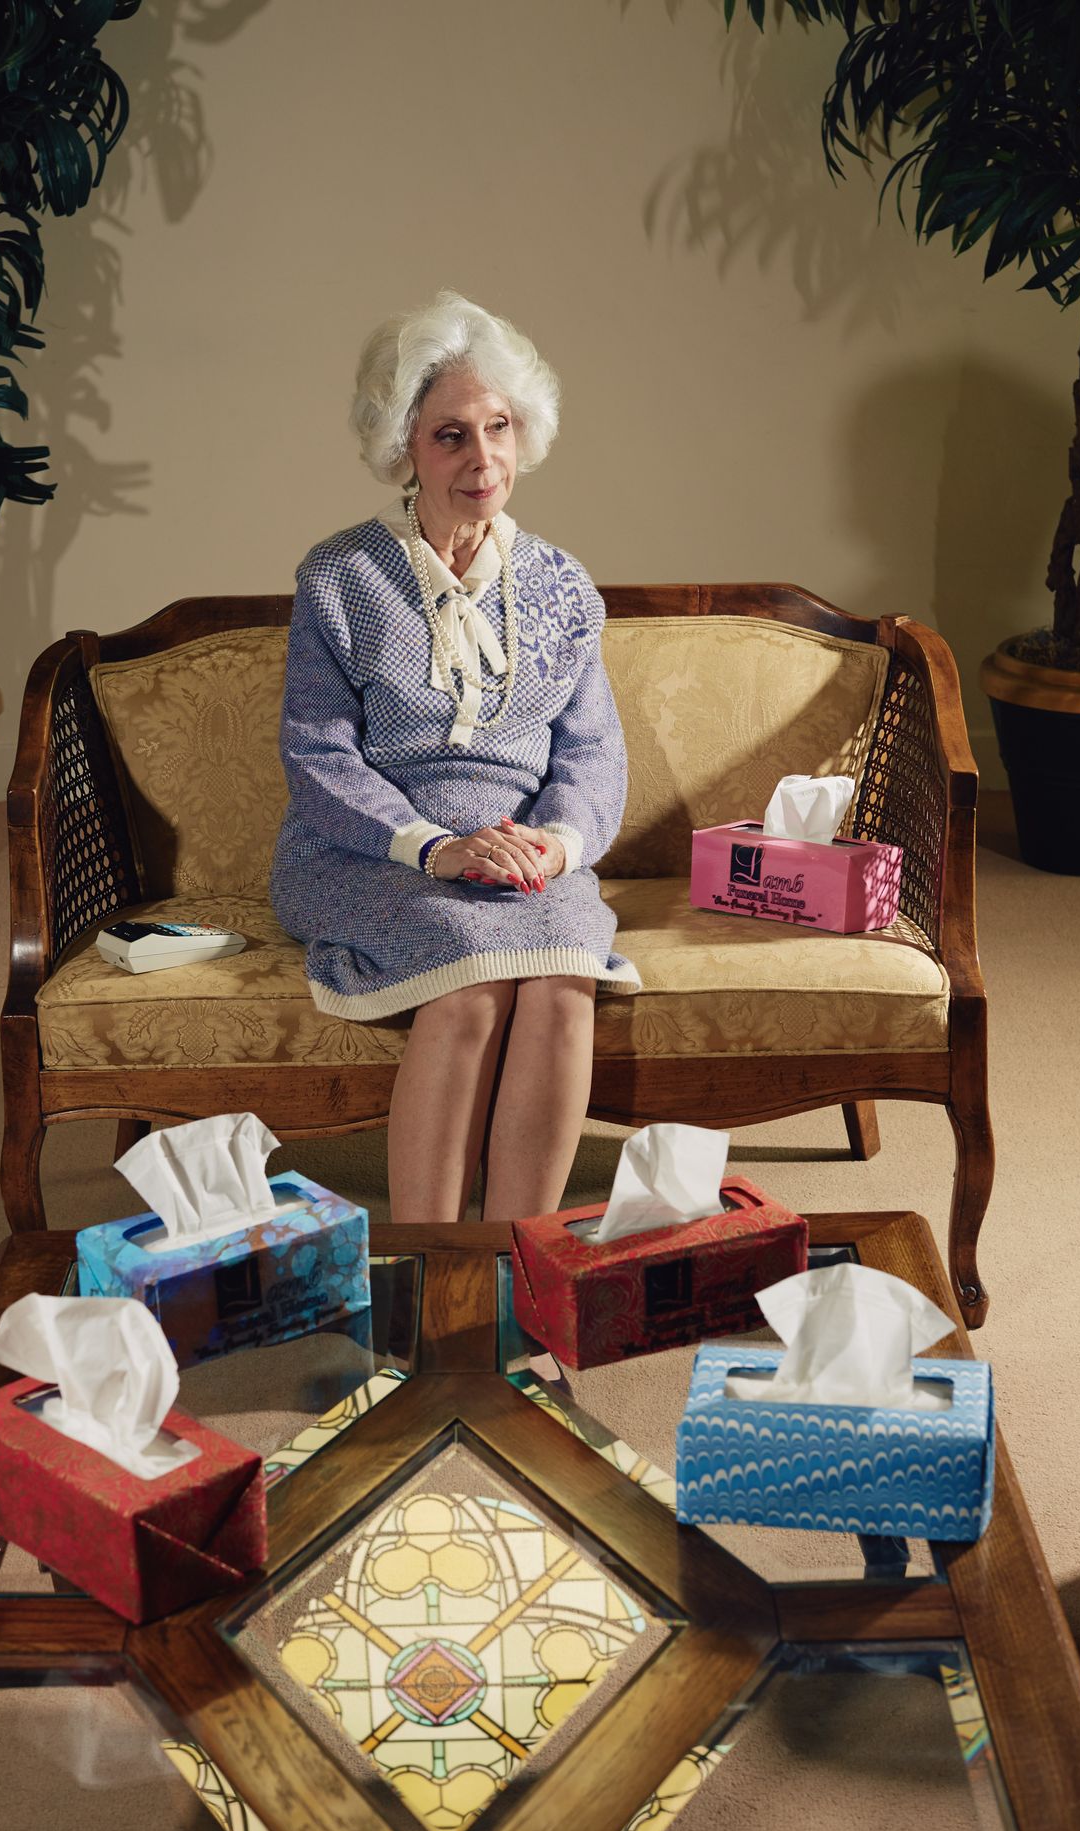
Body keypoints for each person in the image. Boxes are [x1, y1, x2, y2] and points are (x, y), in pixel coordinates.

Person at [271, 290, 639, 1222]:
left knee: (561, 975)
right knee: (476, 971)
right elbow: (317, 757)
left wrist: (554, 847)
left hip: (523, 853)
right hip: (369, 852)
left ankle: (518, 1274)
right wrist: (435, 846)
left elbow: (592, 757)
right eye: (450, 436)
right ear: (404, 447)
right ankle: (429, 1280)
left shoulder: (562, 584)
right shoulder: (341, 576)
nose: (483, 459)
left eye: (499, 428)